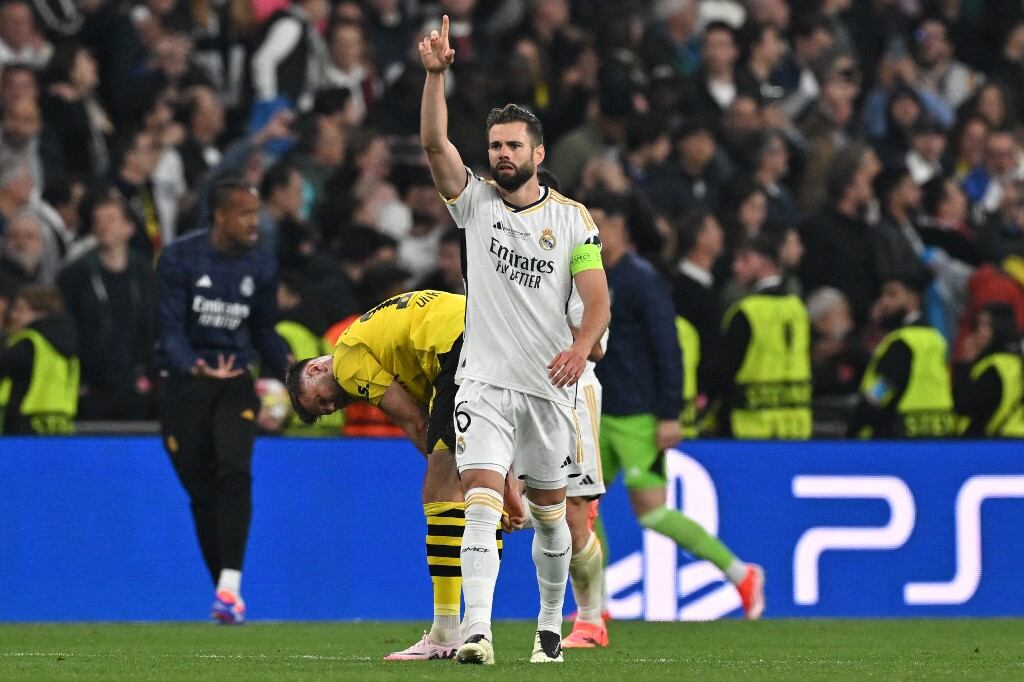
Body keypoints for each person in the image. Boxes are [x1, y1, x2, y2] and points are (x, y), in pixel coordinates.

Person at [419, 15, 611, 664]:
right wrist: (434, 76)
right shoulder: (475, 204)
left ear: (538, 155)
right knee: (479, 500)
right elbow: (434, 145)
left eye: (512, 146)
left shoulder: (571, 221)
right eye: (495, 145)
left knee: (553, 517)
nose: (501, 154)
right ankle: (477, 631)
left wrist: (582, 347)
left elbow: (597, 300)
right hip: (485, 384)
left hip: (547, 387)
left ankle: (550, 627)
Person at [590, 192, 765, 621]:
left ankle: (741, 573)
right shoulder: (591, 275)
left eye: (598, 223)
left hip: (637, 415)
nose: (590, 232)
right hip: (597, 409)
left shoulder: (641, 279)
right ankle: (597, 605)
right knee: (581, 505)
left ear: (620, 227)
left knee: (652, 514)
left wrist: (670, 414)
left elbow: (668, 349)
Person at [154, 176, 289, 625]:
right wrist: (194, 365)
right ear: (220, 215)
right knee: (200, 489)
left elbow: (264, 328)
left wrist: (291, 371)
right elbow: (168, 328)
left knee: (234, 470)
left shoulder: (262, 263)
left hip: (234, 382)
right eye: (246, 214)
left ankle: (230, 586)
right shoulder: (178, 258)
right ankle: (225, 593)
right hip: (185, 385)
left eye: (257, 213)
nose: (255, 222)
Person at [57, 187, 154, 420]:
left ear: (129, 227)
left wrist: (149, 373)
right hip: (91, 389)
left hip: (134, 386)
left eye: (111, 220)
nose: (103, 226)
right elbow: (67, 329)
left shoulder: (145, 275)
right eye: (97, 220)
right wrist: (77, 381)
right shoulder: (76, 275)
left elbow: (154, 327)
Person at [712, 233, 813, 439]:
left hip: (749, 429)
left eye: (745, 259)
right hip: (796, 428)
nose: (736, 267)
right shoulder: (798, 310)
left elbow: (723, 373)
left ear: (765, 262)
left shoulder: (746, 313)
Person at [848, 274, 957, 438]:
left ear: (913, 299)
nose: (884, 302)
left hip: (898, 438)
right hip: (935, 433)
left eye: (892, 295)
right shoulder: (936, 338)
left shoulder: (903, 342)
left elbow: (881, 390)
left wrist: (855, 427)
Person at [0, 285, 78, 435]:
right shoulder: (68, 345)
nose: (13, 316)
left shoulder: (27, 343)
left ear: (42, 313)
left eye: (21, 310)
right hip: (60, 424)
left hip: (24, 424)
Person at [954, 303, 1024, 437]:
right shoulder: (1016, 362)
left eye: (984, 325)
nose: (978, 332)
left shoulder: (993, 367)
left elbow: (964, 406)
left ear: (1000, 327)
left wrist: (965, 364)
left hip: (992, 445)